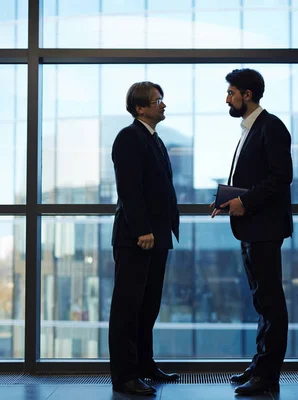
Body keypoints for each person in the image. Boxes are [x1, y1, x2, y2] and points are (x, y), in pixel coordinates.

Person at [211, 68, 293, 396]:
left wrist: (244, 200)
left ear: (247, 95)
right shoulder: (250, 129)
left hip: (264, 228)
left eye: (231, 93)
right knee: (262, 302)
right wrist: (226, 200)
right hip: (250, 228)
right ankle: (260, 366)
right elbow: (254, 177)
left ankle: (267, 376)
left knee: (271, 303)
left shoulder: (271, 127)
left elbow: (279, 178)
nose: (227, 99)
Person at [109, 81, 180, 395]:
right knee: (127, 308)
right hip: (138, 237)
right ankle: (125, 376)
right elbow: (129, 189)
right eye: (157, 100)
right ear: (140, 108)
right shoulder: (129, 137)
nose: (163, 105)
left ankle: (144, 365)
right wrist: (142, 230)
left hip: (158, 237)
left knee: (148, 305)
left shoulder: (155, 140)